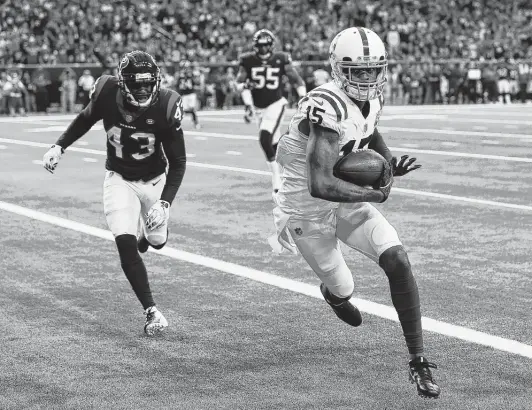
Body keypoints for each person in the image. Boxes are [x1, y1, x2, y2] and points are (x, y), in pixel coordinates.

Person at [272, 27, 441, 399]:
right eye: (357, 71)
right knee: (344, 286)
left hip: (347, 200)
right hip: (308, 209)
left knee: (397, 258)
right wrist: (374, 193)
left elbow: (371, 132)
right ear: (337, 69)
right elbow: (321, 183)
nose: (366, 78)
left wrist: (388, 166)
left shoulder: (374, 98)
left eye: (372, 70)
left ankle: (419, 360)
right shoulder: (325, 104)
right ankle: (334, 295)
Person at [42, 51, 187, 336]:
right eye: (137, 83)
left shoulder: (167, 105)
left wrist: (165, 202)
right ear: (123, 83)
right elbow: (85, 118)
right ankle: (152, 311)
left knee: (157, 242)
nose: (144, 89)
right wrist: (59, 146)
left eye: (148, 83)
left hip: (155, 180)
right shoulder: (107, 92)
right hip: (119, 179)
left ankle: (146, 235)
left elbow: (178, 160)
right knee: (124, 243)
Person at [236, 29, 307, 193]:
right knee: (273, 143)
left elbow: (295, 79)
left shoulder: (281, 58)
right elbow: (239, 83)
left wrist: (303, 97)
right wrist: (245, 90)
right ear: (255, 46)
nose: (263, 50)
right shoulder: (247, 60)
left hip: (276, 103)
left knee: (264, 138)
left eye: (266, 46)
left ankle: (277, 181)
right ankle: (295, 171)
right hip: (258, 108)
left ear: (271, 46)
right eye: (260, 46)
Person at [175, 60, 201, 129]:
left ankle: (196, 122)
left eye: (186, 67)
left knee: (192, 108)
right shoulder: (179, 75)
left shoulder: (192, 74)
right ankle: (194, 121)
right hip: (184, 94)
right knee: (185, 110)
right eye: (184, 67)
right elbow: (177, 85)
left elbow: (196, 82)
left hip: (191, 93)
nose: (185, 69)